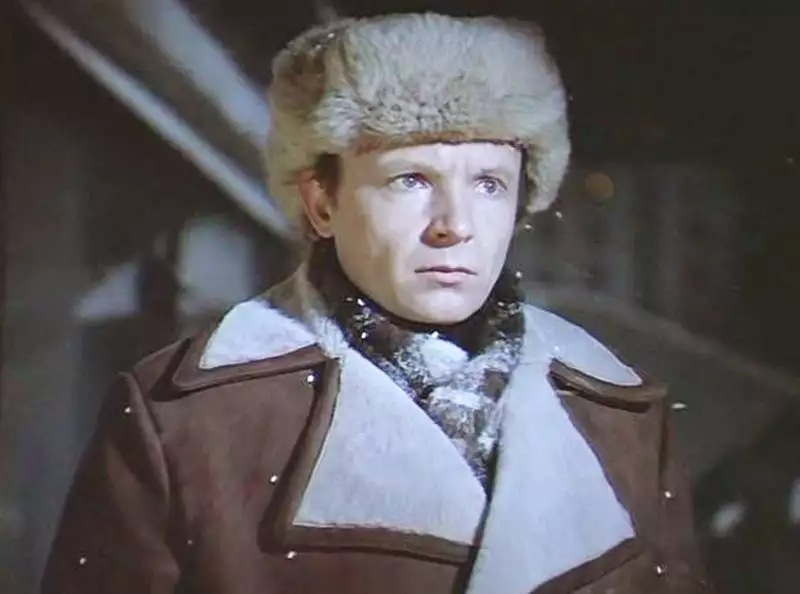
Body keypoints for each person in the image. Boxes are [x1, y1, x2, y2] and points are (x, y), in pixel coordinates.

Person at [41, 12, 710, 594]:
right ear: (322, 203)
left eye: (489, 184)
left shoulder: (621, 412)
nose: (455, 224)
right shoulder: (182, 419)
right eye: (411, 179)